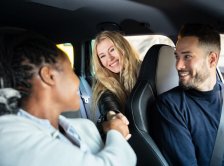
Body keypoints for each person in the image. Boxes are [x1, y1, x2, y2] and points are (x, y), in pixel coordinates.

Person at [0, 30, 136, 166]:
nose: (78, 81)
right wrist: (116, 133)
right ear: (49, 76)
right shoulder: (11, 137)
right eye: (71, 71)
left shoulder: (80, 125)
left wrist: (109, 125)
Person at [151, 24, 224, 165]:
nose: (178, 65)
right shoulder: (170, 106)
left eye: (187, 57)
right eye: (177, 57)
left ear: (212, 59)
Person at [92, 31, 141, 128]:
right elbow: (107, 100)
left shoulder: (144, 69)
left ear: (123, 47)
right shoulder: (104, 83)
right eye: (102, 56)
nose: (109, 58)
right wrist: (112, 115)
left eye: (112, 50)